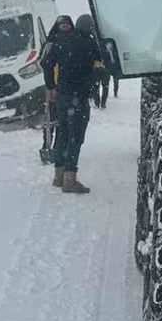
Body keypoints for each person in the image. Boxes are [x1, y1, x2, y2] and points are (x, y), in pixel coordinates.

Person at [40, 15, 102, 193]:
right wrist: (94, 77)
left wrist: (51, 86)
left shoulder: (60, 40)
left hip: (62, 95)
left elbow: (46, 63)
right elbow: (100, 66)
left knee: (63, 133)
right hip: (79, 97)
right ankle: (70, 179)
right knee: (76, 137)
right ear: (90, 28)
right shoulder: (89, 43)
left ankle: (58, 176)